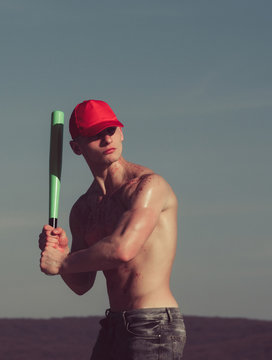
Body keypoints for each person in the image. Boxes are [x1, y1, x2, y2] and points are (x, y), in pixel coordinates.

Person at [38, 100, 186, 359]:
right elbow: (82, 283)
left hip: (153, 325)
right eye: (96, 134)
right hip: (113, 325)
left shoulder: (148, 187)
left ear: (122, 132)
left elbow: (122, 249)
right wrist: (63, 252)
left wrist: (62, 263)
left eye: (111, 130)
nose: (107, 139)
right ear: (76, 147)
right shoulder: (83, 209)